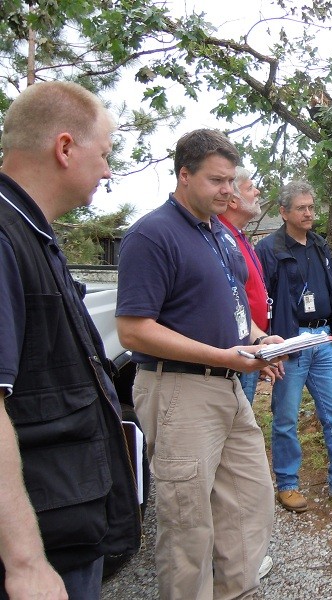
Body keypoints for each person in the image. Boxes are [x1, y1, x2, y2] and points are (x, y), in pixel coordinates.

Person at [116, 129, 281, 599]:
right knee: (187, 522)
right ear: (183, 175)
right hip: (179, 392)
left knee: (249, 505)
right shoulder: (152, 235)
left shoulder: (218, 236)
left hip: (228, 386)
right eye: (217, 181)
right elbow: (133, 330)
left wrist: (259, 341)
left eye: (231, 181)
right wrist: (224, 356)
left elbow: (233, 310)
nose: (228, 190)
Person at [0, 81, 140, 600]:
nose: (107, 171)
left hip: (65, 520)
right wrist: (25, 561)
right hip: (43, 544)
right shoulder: (4, 238)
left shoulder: (35, 235)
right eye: (104, 155)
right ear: (64, 148)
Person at [255, 180, 332, 513]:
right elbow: (260, 300)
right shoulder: (269, 249)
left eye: (311, 207)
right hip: (290, 343)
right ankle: (287, 484)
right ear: (284, 212)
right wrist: (269, 348)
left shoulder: (320, 245)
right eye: (302, 208)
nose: (309, 213)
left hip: (324, 339)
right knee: (285, 419)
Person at [219, 166, 275, 404]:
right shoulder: (221, 239)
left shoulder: (240, 237)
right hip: (235, 353)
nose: (258, 191)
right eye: (250, 187)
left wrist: (261, 343)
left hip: (252, 346)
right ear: (233, 200)